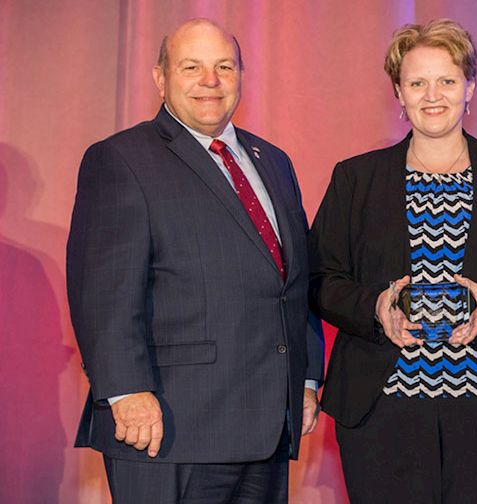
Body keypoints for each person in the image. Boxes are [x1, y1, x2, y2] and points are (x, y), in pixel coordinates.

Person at [309, 18, 477, 503]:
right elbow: (321, 278)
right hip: (384, 411)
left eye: (447, 80)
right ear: (399, 95)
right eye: (417, 83)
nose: (433, 95)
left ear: (470, 88)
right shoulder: (356, 179)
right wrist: (374, 307)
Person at [66, 18, 323, 503]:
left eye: (224, 66)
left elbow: (293, 281)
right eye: (192, 67)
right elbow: (102, 292)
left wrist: (305, 379)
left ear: (241, 76)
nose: (211, 81)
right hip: (167, 427)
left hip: (267, 426)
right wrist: (126, 392)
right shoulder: (120, 159)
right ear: (161, 78)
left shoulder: (275, 161)